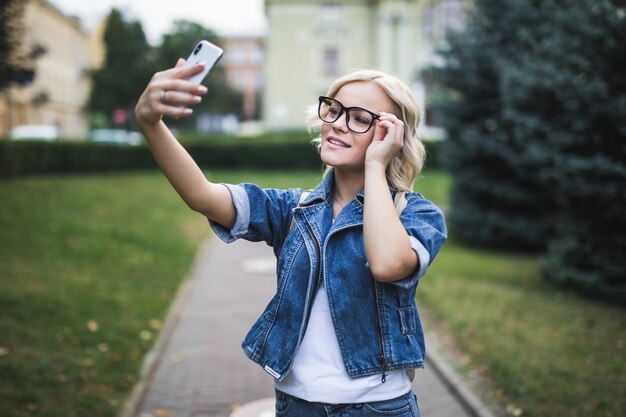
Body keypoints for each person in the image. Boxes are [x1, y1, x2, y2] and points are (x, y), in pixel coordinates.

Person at [135, 58, 447, 417]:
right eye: (334, 110)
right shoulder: (292, 210)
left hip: (379, 407)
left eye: (360, 119)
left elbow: (388, 263)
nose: (339, 125)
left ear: (392, 136)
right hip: (297, 406)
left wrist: (376, 166)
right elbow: (202, 196)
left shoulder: (416, 215)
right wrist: (151, 123)